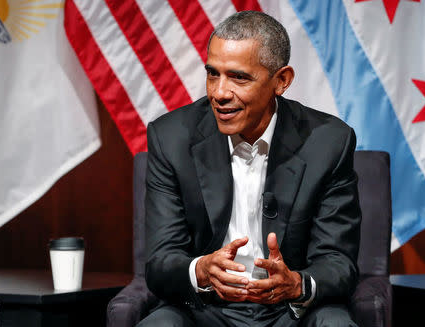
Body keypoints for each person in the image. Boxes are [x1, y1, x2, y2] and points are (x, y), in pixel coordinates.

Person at [138, 11, 361, 327]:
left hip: (290, 311)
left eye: (239, 77)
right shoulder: (171, 137)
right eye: (213, 74)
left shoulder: (329, 142)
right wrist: (202, 269)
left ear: (281, 81)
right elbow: (161, 261)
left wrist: (295, 283)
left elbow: (338, 262)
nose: (219, 93)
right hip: (205, 309)